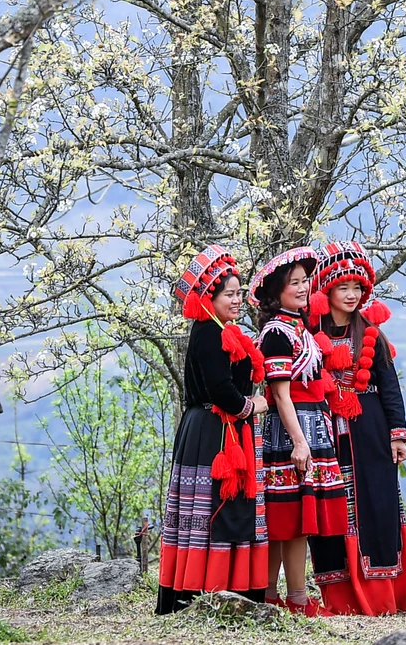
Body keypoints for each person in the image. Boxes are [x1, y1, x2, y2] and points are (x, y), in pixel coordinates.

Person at [156, 245, 270, 614]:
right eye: (229, 294)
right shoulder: (208, 332)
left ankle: (226, 588)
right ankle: (205, 590)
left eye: (239, 293)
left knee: (220, 511)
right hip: (211, 432)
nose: (237, 300)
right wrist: (251, 406)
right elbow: (221, 388)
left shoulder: (224, 330)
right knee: (209, 510)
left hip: (219, 430)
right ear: (210, 298)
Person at [308, 240, 406, 616]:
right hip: (323, 432)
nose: (351, 295)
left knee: (376, 505)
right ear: (327, 290)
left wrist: (397, 434)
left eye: (357, 288)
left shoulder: (371, 334)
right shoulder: (308, 333)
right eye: (342, 287)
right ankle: (340, 599)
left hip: (369, 430)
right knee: (332, 510)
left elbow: (389, 386)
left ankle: (383, 597)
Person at [253, 246, 349, 616]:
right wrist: (299, 442)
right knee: (290, 518)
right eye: (294, 283)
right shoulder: (277, 332)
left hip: (310, 423)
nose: (303, 287)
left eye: (305, 281)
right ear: (277, 291)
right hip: (291, 428)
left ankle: (274, 595)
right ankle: (292, 597)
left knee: (290, 517)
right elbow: (279, 393)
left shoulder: (298, 327)